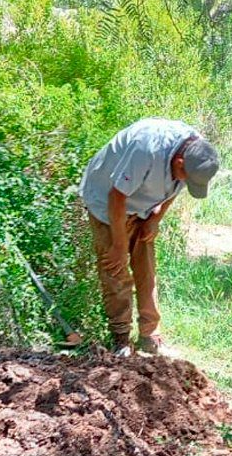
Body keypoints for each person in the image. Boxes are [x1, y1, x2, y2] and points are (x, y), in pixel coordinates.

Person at [79, 118, 219, 355]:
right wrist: (119, 245)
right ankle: (121, 339)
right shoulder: (146, 149)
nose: (185, 181)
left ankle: (150, 335)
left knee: (147, 268)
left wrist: (156, 218)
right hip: (107, 203)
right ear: (179, 161)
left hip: (143, 204)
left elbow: (178, 185)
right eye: (184, 175)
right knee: (116, 269)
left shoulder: (196, 152)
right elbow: (117, 197)